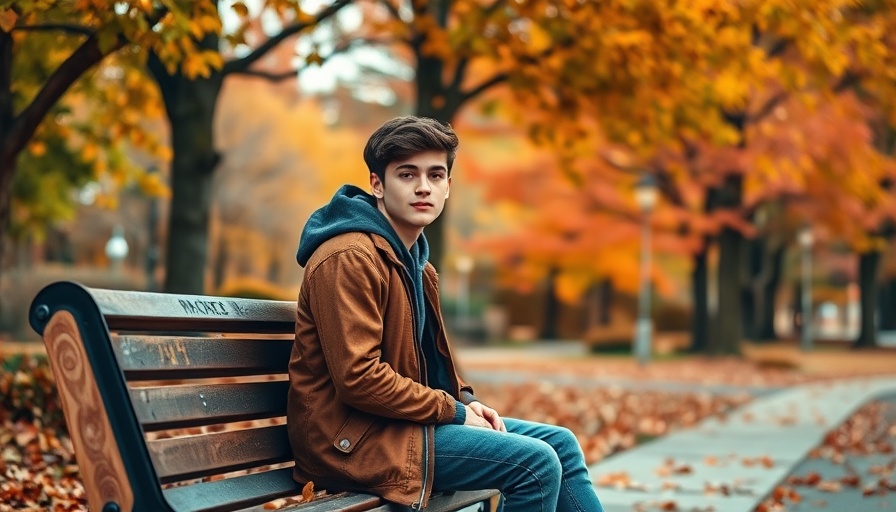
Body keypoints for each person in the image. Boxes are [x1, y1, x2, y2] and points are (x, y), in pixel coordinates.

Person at [287, 116, 604, 511]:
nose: (424, 187)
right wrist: (452, 411)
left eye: (435, 175)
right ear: (377, 184)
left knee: (561, 445)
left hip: (396, 427)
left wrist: (465, 401)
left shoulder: (417, 265)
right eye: (407, 174)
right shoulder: (349, 257)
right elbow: (359, 378)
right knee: (535, 464)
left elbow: (431, 363)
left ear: (448, 187)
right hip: (349, 442)